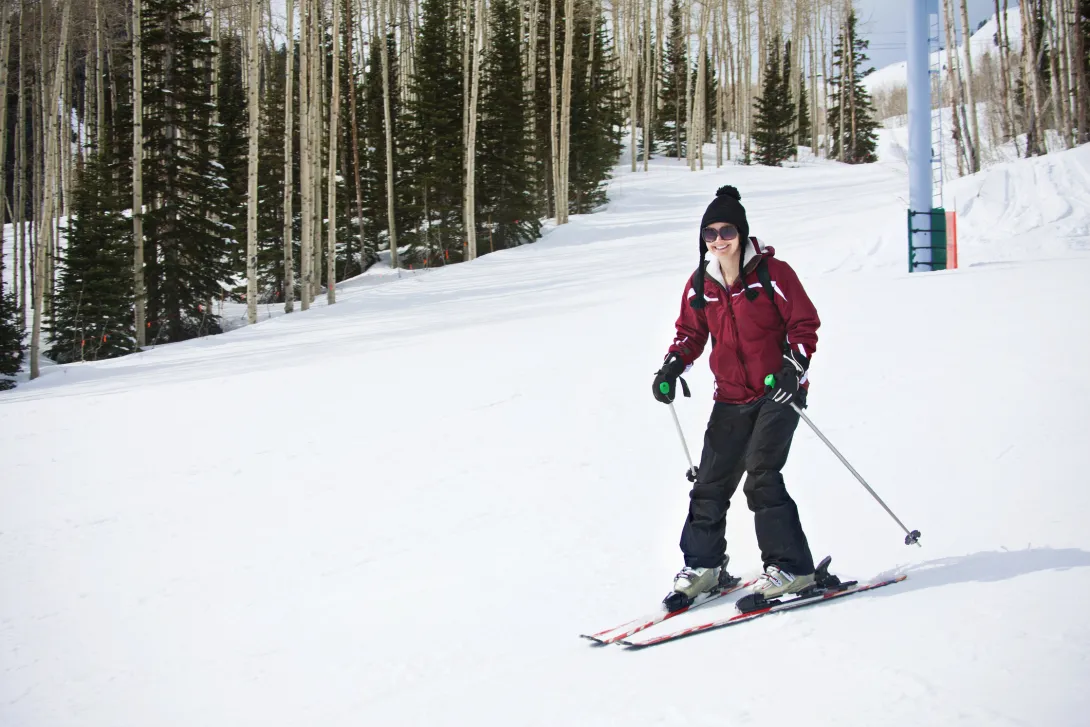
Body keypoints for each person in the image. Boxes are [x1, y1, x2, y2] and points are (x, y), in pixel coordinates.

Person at [652, 185, 820, 605]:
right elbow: (691, 333)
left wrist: (792, 367)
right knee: (710, 482)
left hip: (777, 393)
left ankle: (792, 569)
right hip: (729, 395)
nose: (719, 239)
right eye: (710, 233)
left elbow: (804, 323)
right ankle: (705, 567)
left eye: (726, 229)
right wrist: (673, 364)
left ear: (741, 232)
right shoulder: (700, 283)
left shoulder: (773, 273)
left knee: (762, 476)